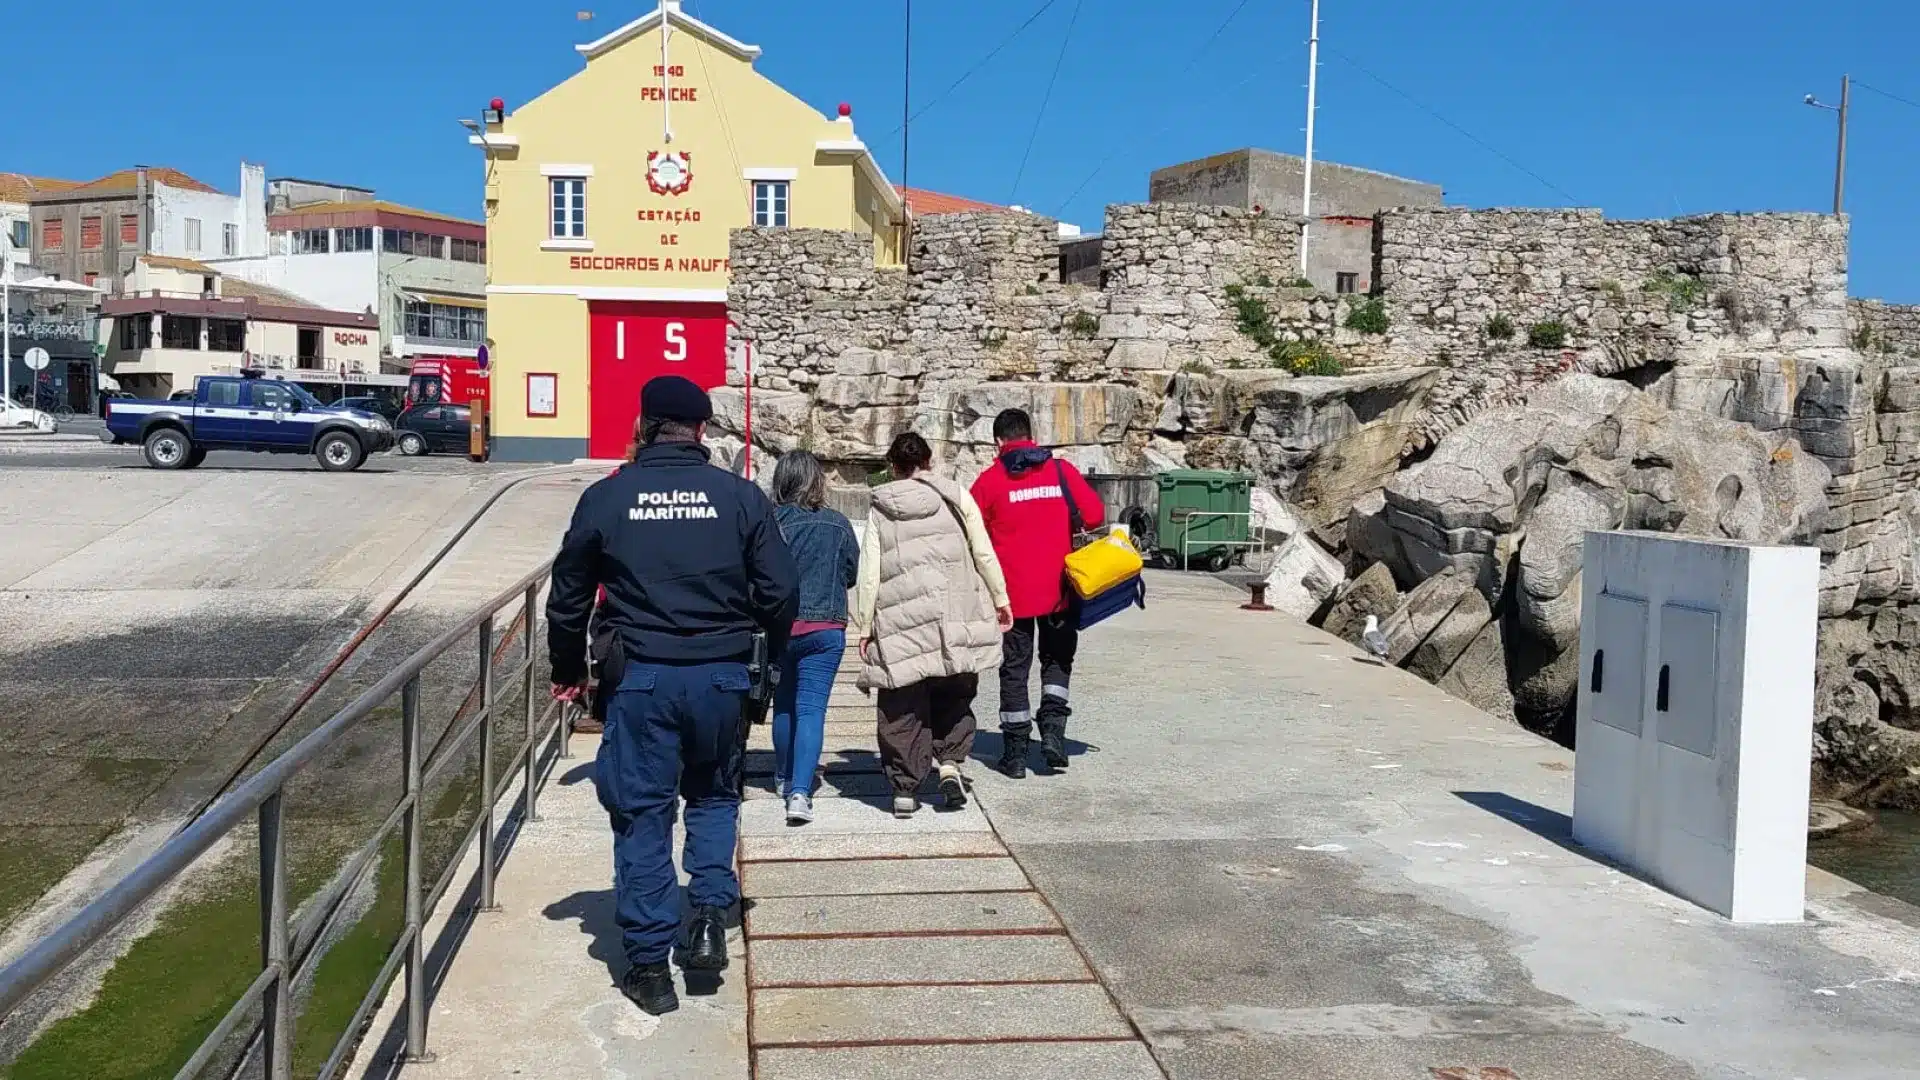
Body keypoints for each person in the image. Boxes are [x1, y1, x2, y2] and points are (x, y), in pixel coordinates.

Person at [547, 375, 798, 1018]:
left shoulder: (608, 498)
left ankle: (651, 966)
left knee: (643, 814)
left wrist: (568, 668)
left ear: (644, 426)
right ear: (703, 429)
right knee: (714, 796)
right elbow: (780, 594)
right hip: (721, 676)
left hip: (642, 681)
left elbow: (569, 594)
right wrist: (762, 662)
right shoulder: (741, 497)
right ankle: (711, 915)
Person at [850, 433, 1012, 818]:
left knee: (901, 702)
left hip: (900, 620)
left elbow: (869, 571)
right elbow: (983, 551)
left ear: (893, 466)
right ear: (930, 460)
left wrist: (865, 623)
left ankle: (905, 790)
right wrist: (1000, 598)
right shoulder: (957, 496)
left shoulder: (882, 505)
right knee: (954, 691)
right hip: (954, 614)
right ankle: (951, 765)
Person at [968, 408, 1105, 779]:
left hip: (1011, 599)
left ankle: (1013, 755)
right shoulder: (1061, 471)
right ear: (1031, 434)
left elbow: (971, 535)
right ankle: (1054, 736)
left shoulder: (990, 481)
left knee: (1014, 668)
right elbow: (1094, 515)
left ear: (998, 442)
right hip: (1060, 591)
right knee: (1057, 661)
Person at [768, 449, 860, 826]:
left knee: (783, 704)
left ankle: (782, 775)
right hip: (825, 628)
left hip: (781, 627)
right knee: (811, 709)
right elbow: (851, 574)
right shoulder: (838, 524)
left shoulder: (769, 522)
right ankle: (800, 794)